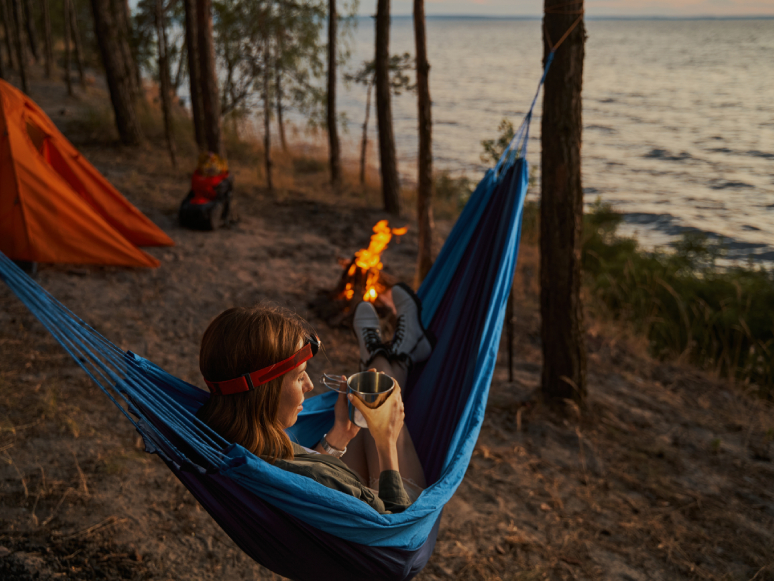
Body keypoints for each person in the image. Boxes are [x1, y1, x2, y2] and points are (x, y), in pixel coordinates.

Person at [195, 284, 433, 514]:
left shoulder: (236, 443)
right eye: (299, 377)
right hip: (398, 509)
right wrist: (387, 443)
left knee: (368, 407)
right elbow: (396, 525)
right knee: (380, 401)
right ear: (264, 391)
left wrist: (339, 435)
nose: (309, 385)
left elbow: (307, 474)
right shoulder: (319, 481)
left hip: (345, 497)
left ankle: (389, 356)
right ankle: (391, 357)